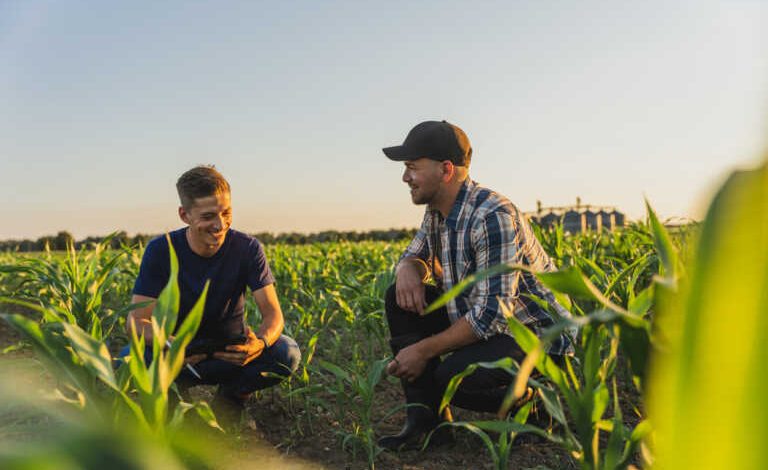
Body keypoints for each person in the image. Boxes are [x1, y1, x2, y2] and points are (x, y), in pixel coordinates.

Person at [378, 120, 574, 451]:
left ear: (446, 170)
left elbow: (491, 316)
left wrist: (422, 351)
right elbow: (415, 254)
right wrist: (407, 268)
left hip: (534, 337)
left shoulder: (491, 215)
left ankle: (536, 402)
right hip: (484, 323)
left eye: (412, 167)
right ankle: (427, 425)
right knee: (398, 299)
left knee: (455, 377)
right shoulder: (437, 211)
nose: (405, 177)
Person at [125, 165, 301, 425]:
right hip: (177, 356)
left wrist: (259, 343)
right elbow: (136, 322)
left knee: (286, 353)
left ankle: (231, 400)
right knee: (126, 363)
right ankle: (175, 404)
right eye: (208, 216)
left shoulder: (247, 248)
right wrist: (175, 345)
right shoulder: (161, 250)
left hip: (230, 355)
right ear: (184, 215)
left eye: (226, 212)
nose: (220, 224)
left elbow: (273, 314)